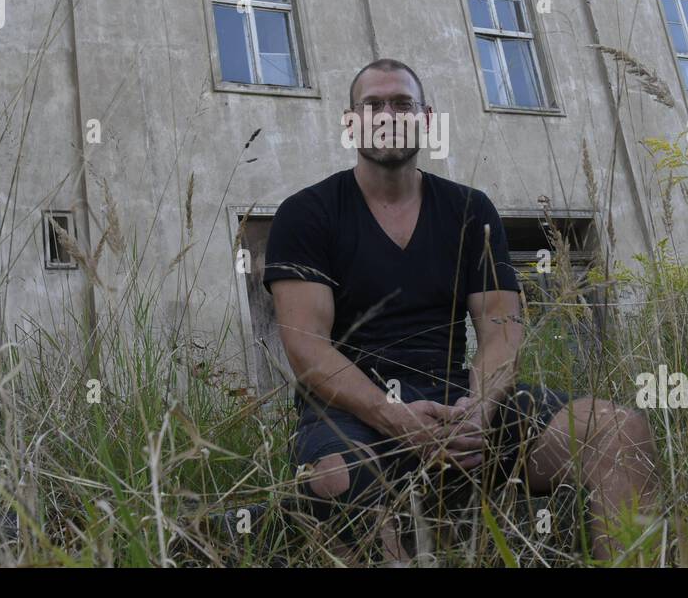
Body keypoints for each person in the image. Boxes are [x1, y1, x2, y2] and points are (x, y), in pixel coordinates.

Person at [263, 58, 657, 563]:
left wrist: (480, 409)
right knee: (336, 477)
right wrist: (392, 416)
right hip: (352, 411)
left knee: (620, 432)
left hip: (456, 403)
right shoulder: (307, 213)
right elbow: (306, 347)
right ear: (350, 122)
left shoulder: (470, 209)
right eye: (373, 105)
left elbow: (502, 328)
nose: (388, 116)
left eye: (402, 104)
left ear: (426, 119)